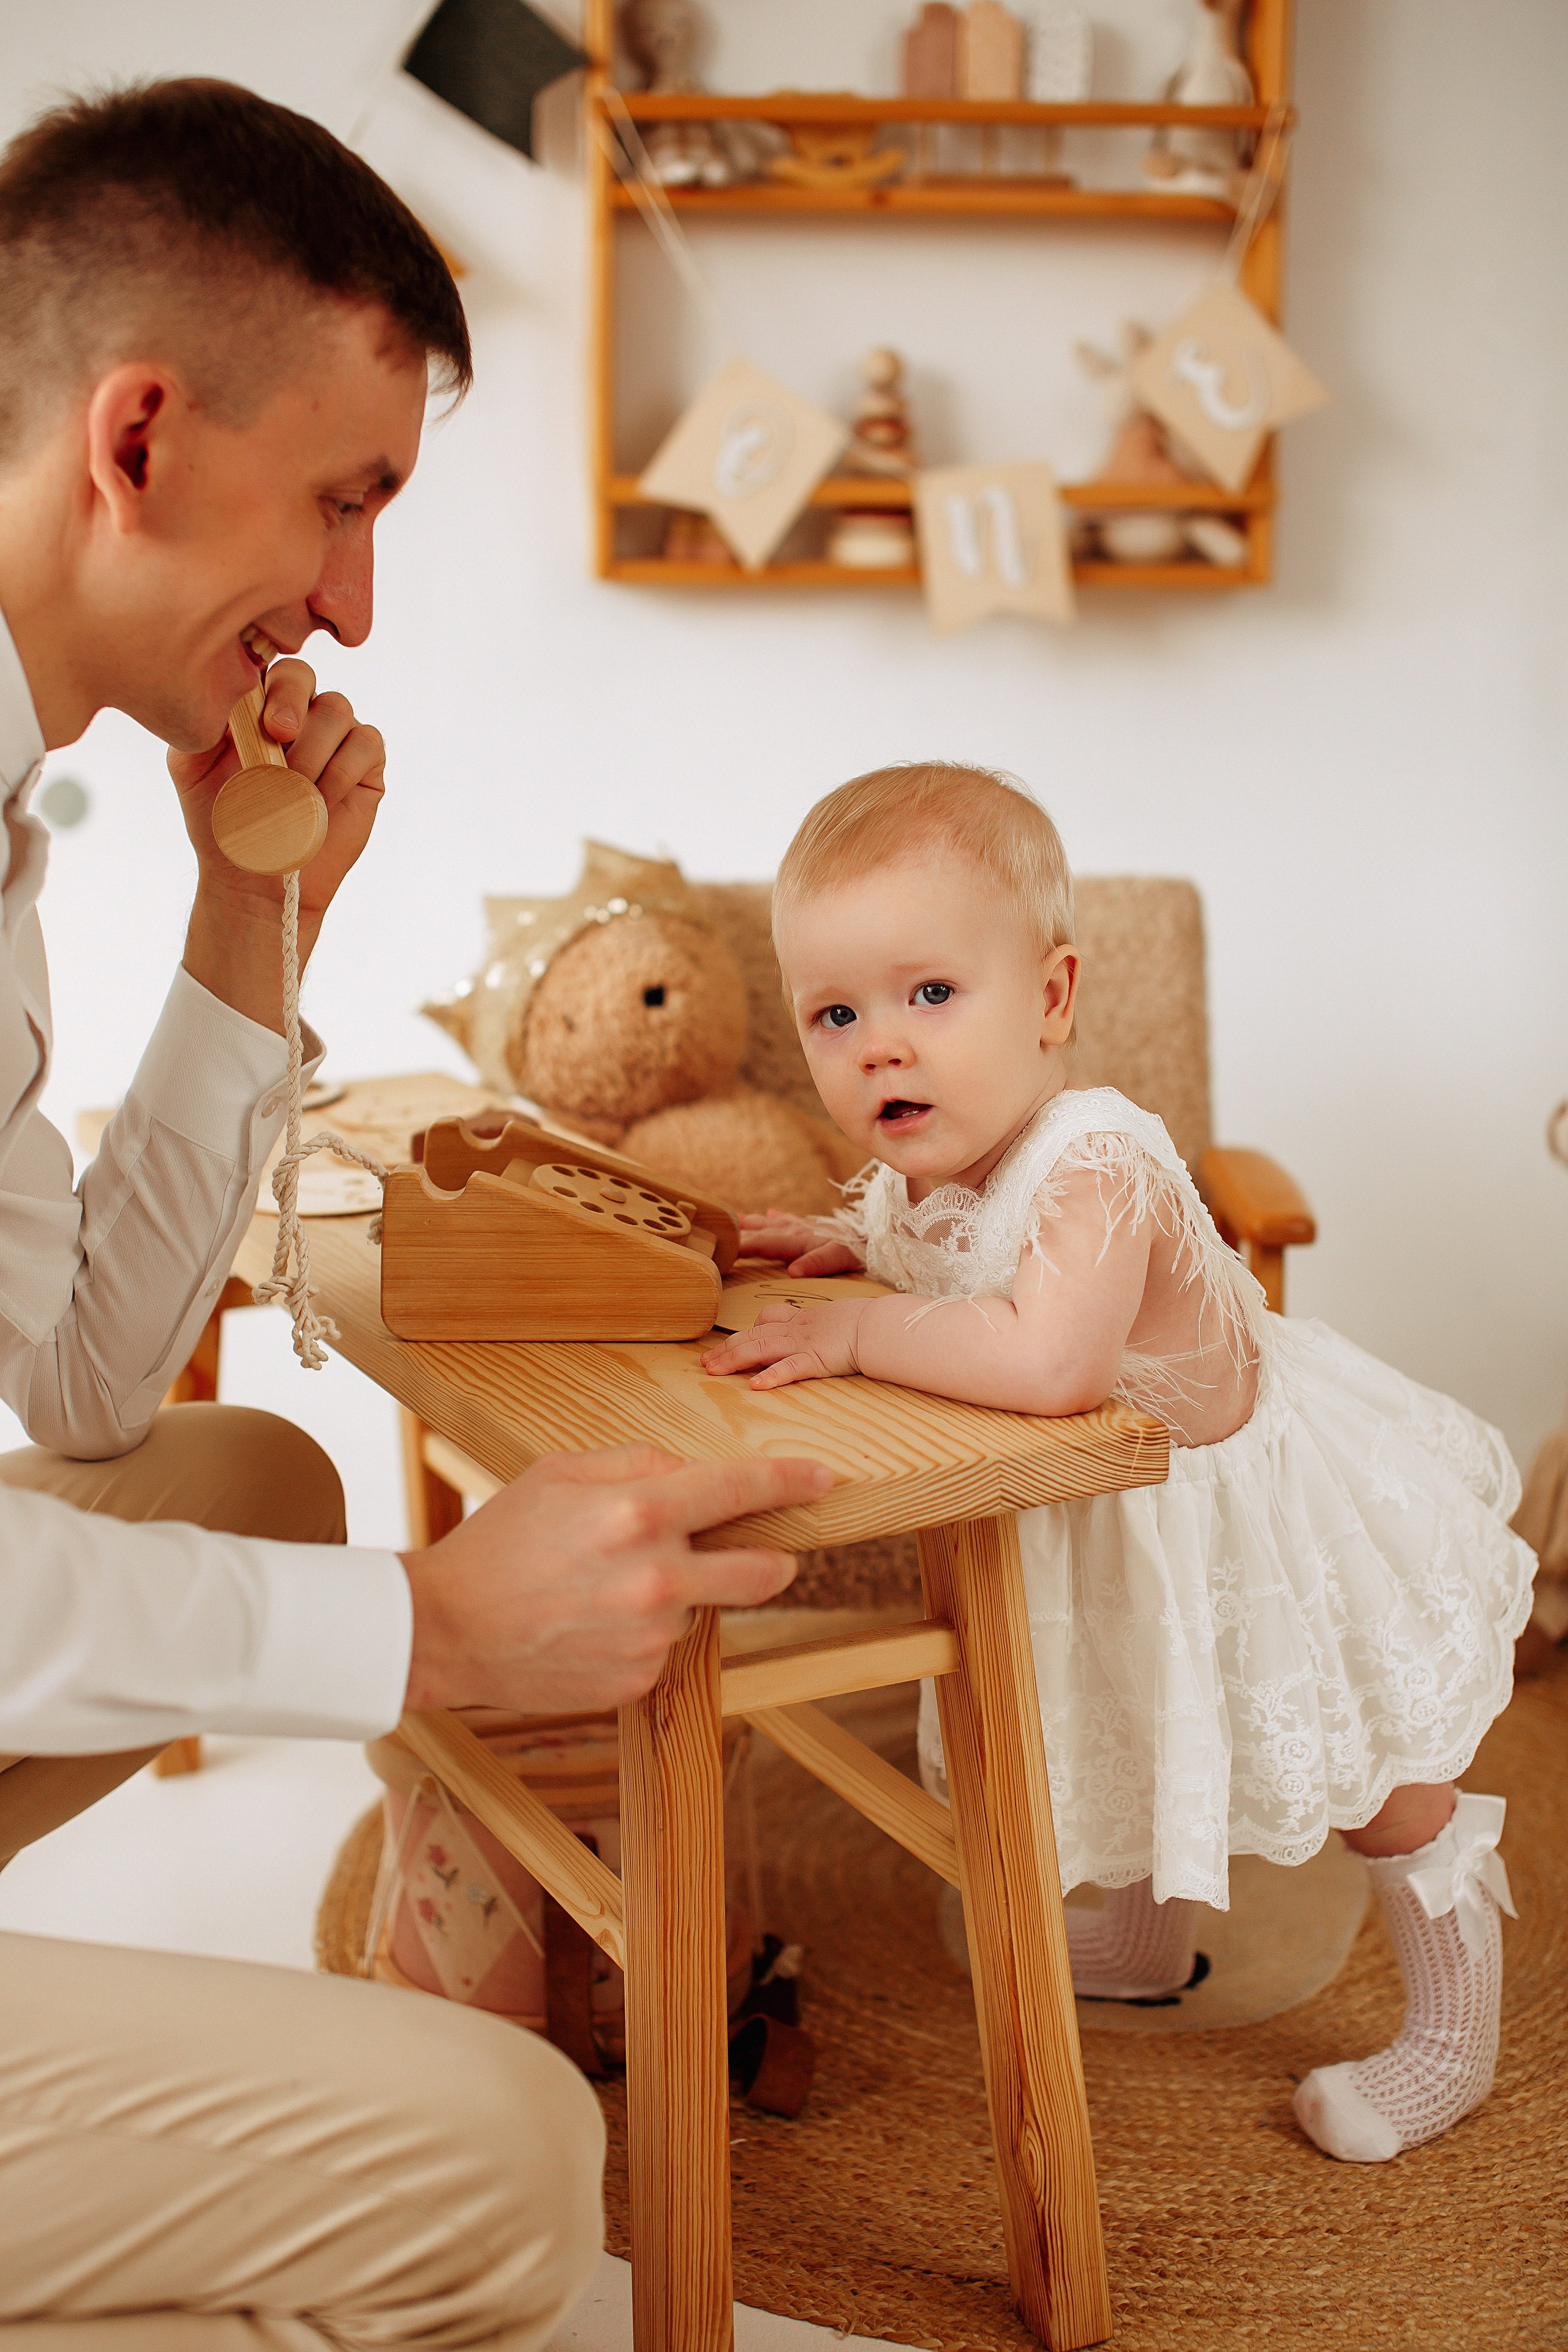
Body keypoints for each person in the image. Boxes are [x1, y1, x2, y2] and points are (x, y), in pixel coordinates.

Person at [0, 79, 829, 2347]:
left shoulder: (14, 825)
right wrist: (430, 1635)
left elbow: (81, 1398)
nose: (354, 610)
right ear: (139, 434)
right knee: (497, 2165)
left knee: (245, 1477)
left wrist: (249, 919)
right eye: (346, 503)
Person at [703, 760, 1536, 2165]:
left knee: (1378, 1771)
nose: (881, 1048)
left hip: (1253, 1520)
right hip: (1123, 1517)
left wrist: (855, 1328)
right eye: (835, 1014)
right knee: (1142, 1707)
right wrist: (857, 1244)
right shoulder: (935, 1162)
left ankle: (1449, 2038)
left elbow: (1045, 1363)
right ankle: (1144, 1945)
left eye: (927, 996)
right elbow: (951, 1250)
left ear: (1051, 998)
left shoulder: (1095, 1160)